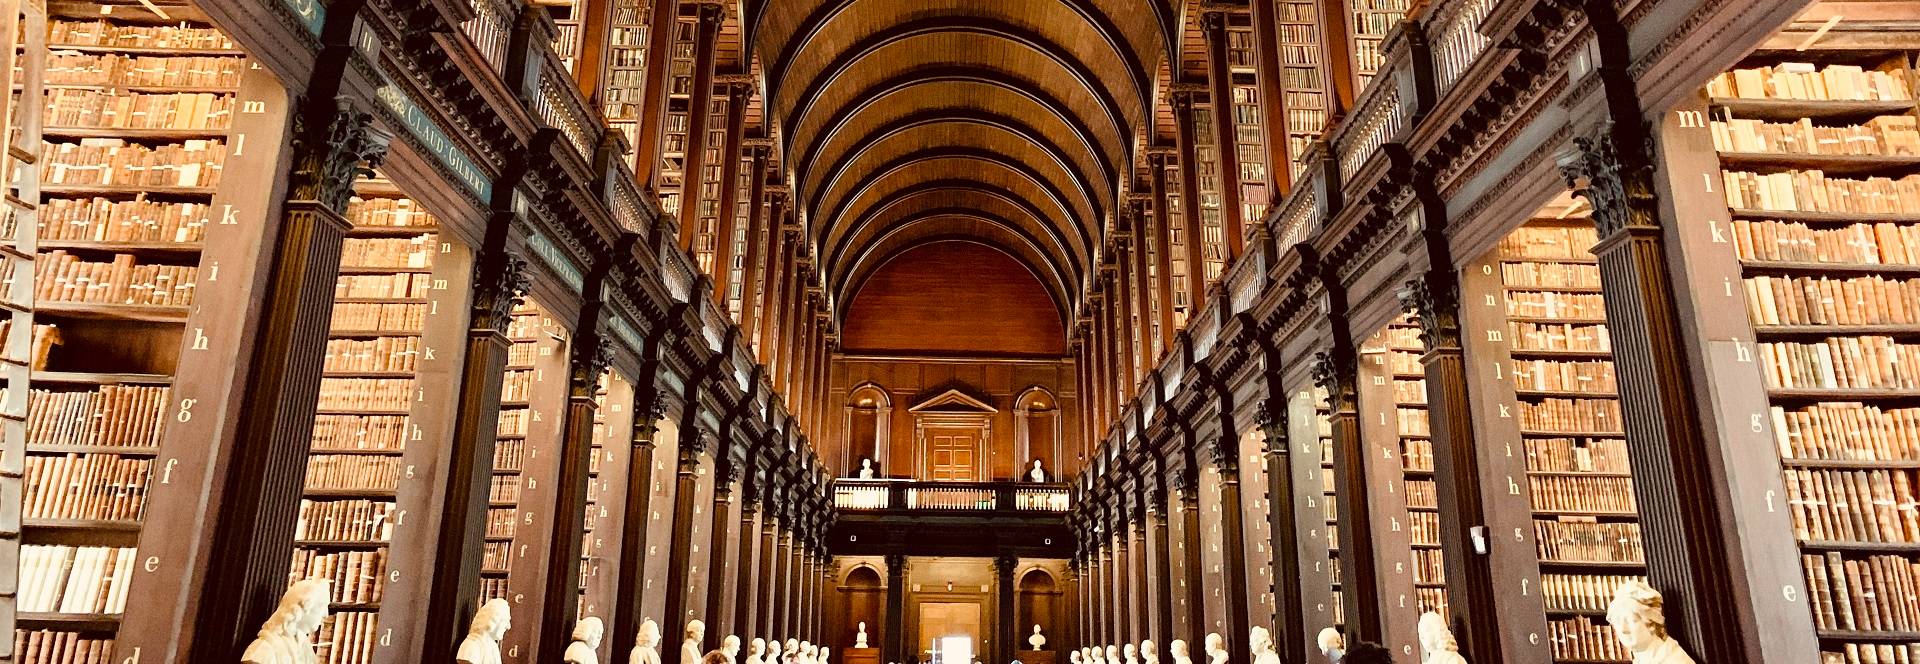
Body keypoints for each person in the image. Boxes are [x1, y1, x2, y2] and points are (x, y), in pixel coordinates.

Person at [241, 579, 332, 664]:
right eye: (321, 606)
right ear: (300, 609)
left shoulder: (305, 649)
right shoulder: (263, 651)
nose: (326, 614)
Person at [1606, 580, 1697, 664]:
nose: (1623, 629)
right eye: (1618, 623)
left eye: (1631, 620)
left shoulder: (1675, 660)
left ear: (1652, 623)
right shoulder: (1642, 660)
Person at [457, 599, 513, 664]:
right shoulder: (471, 645)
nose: (508, 626)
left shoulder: (493, 648)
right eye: (506, 620)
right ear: (494, 619)